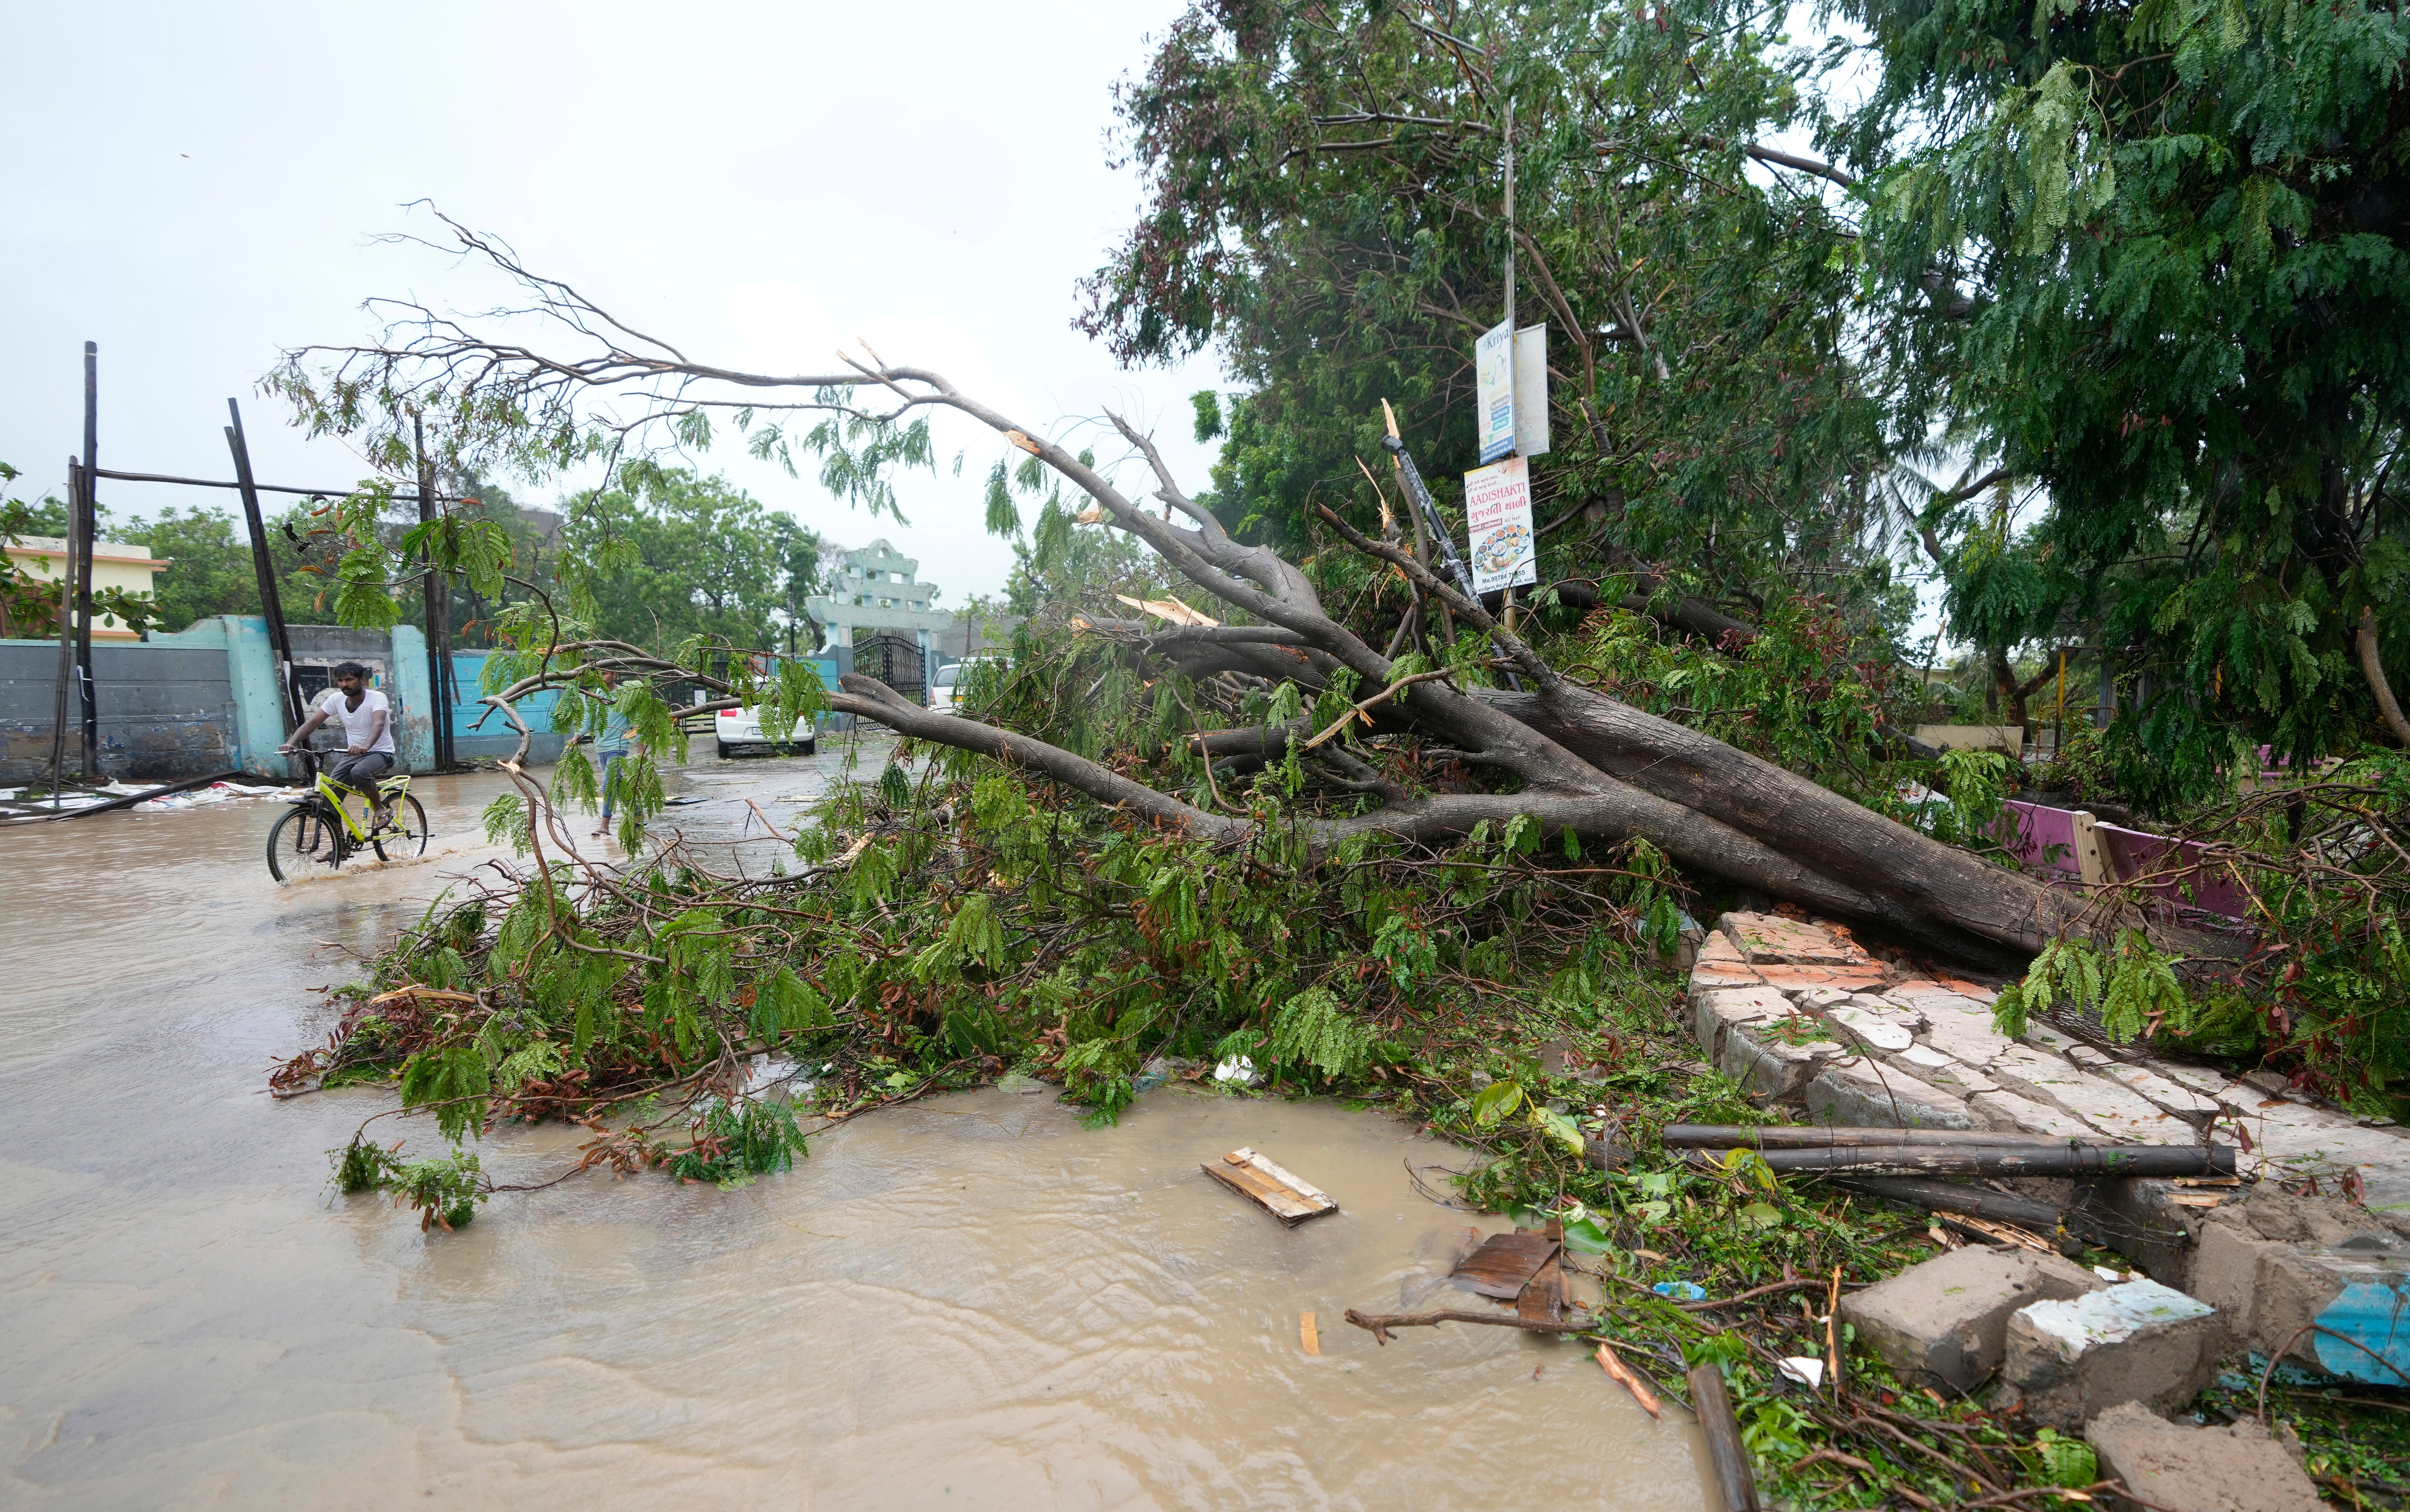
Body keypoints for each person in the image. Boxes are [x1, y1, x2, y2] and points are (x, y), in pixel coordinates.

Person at [279, 662, 398, 827]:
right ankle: (340, 848)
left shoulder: (377, 698)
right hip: (353, 755)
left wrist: (366, 746)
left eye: (349, 680)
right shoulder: (336, 699)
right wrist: (291, 743)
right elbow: (314, 722)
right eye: (341, 681)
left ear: (362, 680)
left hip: (381, 753)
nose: (344, 685)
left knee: (360, 772)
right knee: (330, 797)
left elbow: (378, 723)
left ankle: (379, 808)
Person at [591, 669, 642, 838]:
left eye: (605, 673)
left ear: (614, 675)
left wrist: (640, 748)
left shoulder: (625, 694)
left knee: (608, 785)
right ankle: (637, 814)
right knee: (618, 784)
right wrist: (576, 736)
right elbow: (587, 718)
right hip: (601, 747)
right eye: (599, 674)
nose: (601, 678)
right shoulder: (595, 695)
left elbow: (636, 722)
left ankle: (605, 824)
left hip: (619, 746)